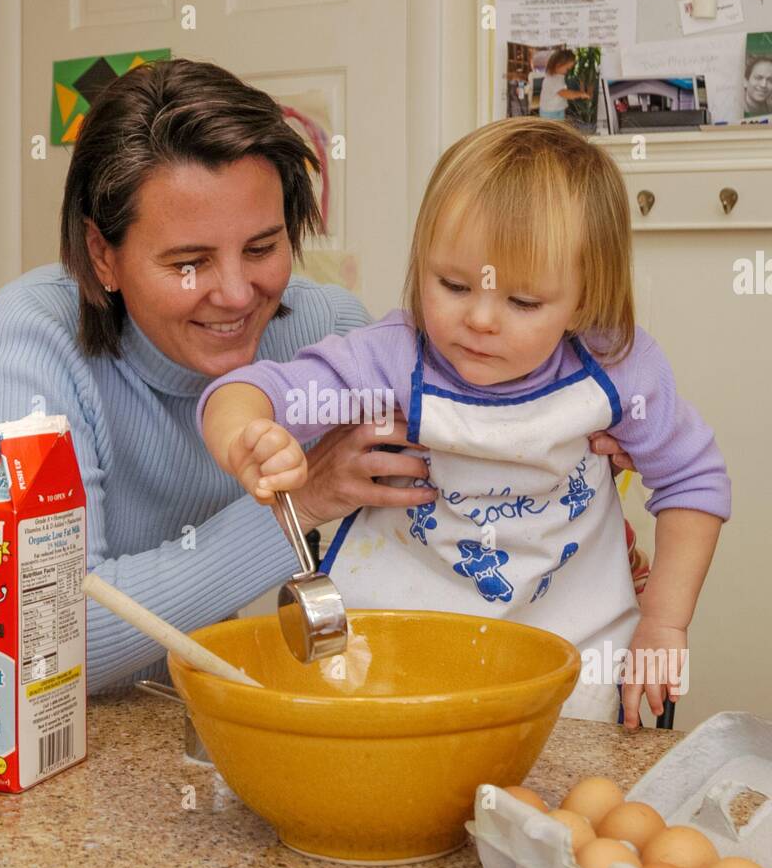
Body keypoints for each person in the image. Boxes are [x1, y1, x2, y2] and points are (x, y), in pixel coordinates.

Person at [199, 118, 730, 728]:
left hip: (578, 651)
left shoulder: (616, 366)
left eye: (523, 302)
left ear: (585, 299)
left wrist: (665, 620)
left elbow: (693, 482)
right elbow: (246, 391)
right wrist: (247, 439)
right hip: (397, 650)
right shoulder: (393, 358)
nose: (479, 319)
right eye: (452, 285)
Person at [538, 48, 592, 121]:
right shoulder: (553, 79)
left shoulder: (557, 75)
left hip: (556, 109)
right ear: (558, 65)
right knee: (553, 130)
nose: (568, 71)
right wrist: (580, 94)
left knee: (559, 127)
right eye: (567, 69)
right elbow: (566, 94)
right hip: (550, 112)